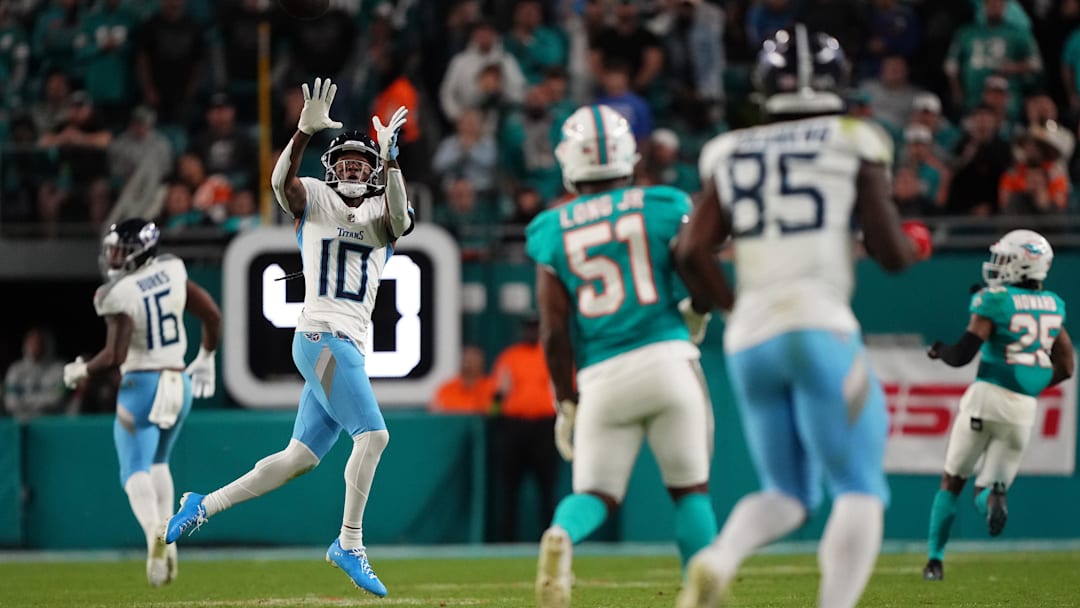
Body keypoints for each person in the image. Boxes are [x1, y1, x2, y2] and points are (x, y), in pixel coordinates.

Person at [674, 25, 927, 608]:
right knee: (860, 489)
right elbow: (891, 254)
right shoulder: (854, 139)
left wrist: (741, 307)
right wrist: (912, 244)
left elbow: (690, 251)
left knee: (786, 494)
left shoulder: (730, 148)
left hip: (752, 339)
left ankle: (719, 558)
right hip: (820, 324)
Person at [163, 77, 413, 598]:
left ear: (372, 173)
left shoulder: (380, 213)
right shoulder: (316, 197)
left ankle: (200, 504)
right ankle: (349, 542)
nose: (349, 168)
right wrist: (301, 134)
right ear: (330, 168)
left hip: (345, 346)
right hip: (321, 338)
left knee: (298, 458)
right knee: (374, 436)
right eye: (342, 161)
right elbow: (282, 185)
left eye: (359, 164)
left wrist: (391, 162)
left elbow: (400, 219)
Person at [526, 103, 719, 608]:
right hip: (667, 359)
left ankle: (563, 537)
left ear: (570, 161)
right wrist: (698, 310)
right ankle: (701, 590)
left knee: (593, 493)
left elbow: (552, 332)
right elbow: (696, 262)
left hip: (602, 376)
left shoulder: (550, 227)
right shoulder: (662, 202)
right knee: (690, 492)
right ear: (629, 154)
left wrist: (566, 399)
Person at [61, 218, 221, 587]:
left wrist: (80, 370)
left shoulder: (118, 293)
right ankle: (171, 536)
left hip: (142, 384)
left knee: (134, 468)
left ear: (140, 252)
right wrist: (207, 357)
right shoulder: (171, 270)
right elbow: (211, 314)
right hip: (178, 381)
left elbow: (114, 355)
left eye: (121, 250)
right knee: (160, 462)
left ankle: (154, 531)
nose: (114, 257)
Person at [922, 230, 1073, 581]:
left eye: (1006, 258)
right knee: (984, 487)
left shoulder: (994, 301)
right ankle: (993, 499)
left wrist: (938, 350)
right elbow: (1066, 367)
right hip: (1022, 408)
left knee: (952, 480)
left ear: (1023, 262)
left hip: (986, 397)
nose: (998, 264)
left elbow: (962, 355)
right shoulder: (1054, 304)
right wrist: (1028, 384)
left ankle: (934, 561)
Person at [3, 326, 66, 421]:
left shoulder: (59, 368)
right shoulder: (15, 369)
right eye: (32, 342)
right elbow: (10, 402)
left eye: (39, 342)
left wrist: (25, 402)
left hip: (50, 422)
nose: (35, 346)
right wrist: (37, 403)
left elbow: (56, 400)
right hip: (21, 423)